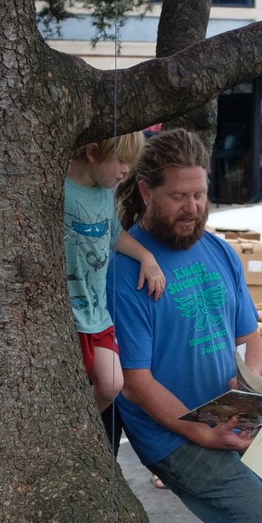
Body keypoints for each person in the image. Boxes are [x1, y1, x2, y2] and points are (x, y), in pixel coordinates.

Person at [108, 129, 262, 523]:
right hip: (173, 433)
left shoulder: (221, 251)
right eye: (179, 197)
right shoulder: (126, 270)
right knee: (256, 521)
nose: (192, 207)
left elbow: (252, 339)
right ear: (146, 192)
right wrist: (201, 433)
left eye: (200, 195)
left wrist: (249, 382)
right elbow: (135, 381)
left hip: (229, 417)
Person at [64, 133, 169, 420]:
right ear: (93, 152)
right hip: (68, 317)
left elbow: (115, 235)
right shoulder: (61, 190)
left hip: (97, 315)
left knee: (112, 384)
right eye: (121, 161)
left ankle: (78, 426)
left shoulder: (103, 193)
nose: (126, 170)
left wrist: (146, 257)